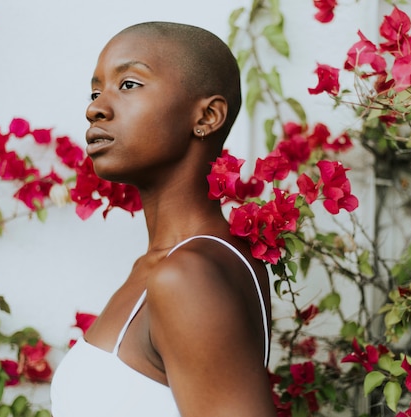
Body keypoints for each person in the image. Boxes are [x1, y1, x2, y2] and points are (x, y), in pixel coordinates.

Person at [50, 21, 277, 416]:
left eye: (129, 85)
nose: (95, 108)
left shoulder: (188, 275)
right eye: (95, 90)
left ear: (207, 116)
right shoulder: (171, 264)